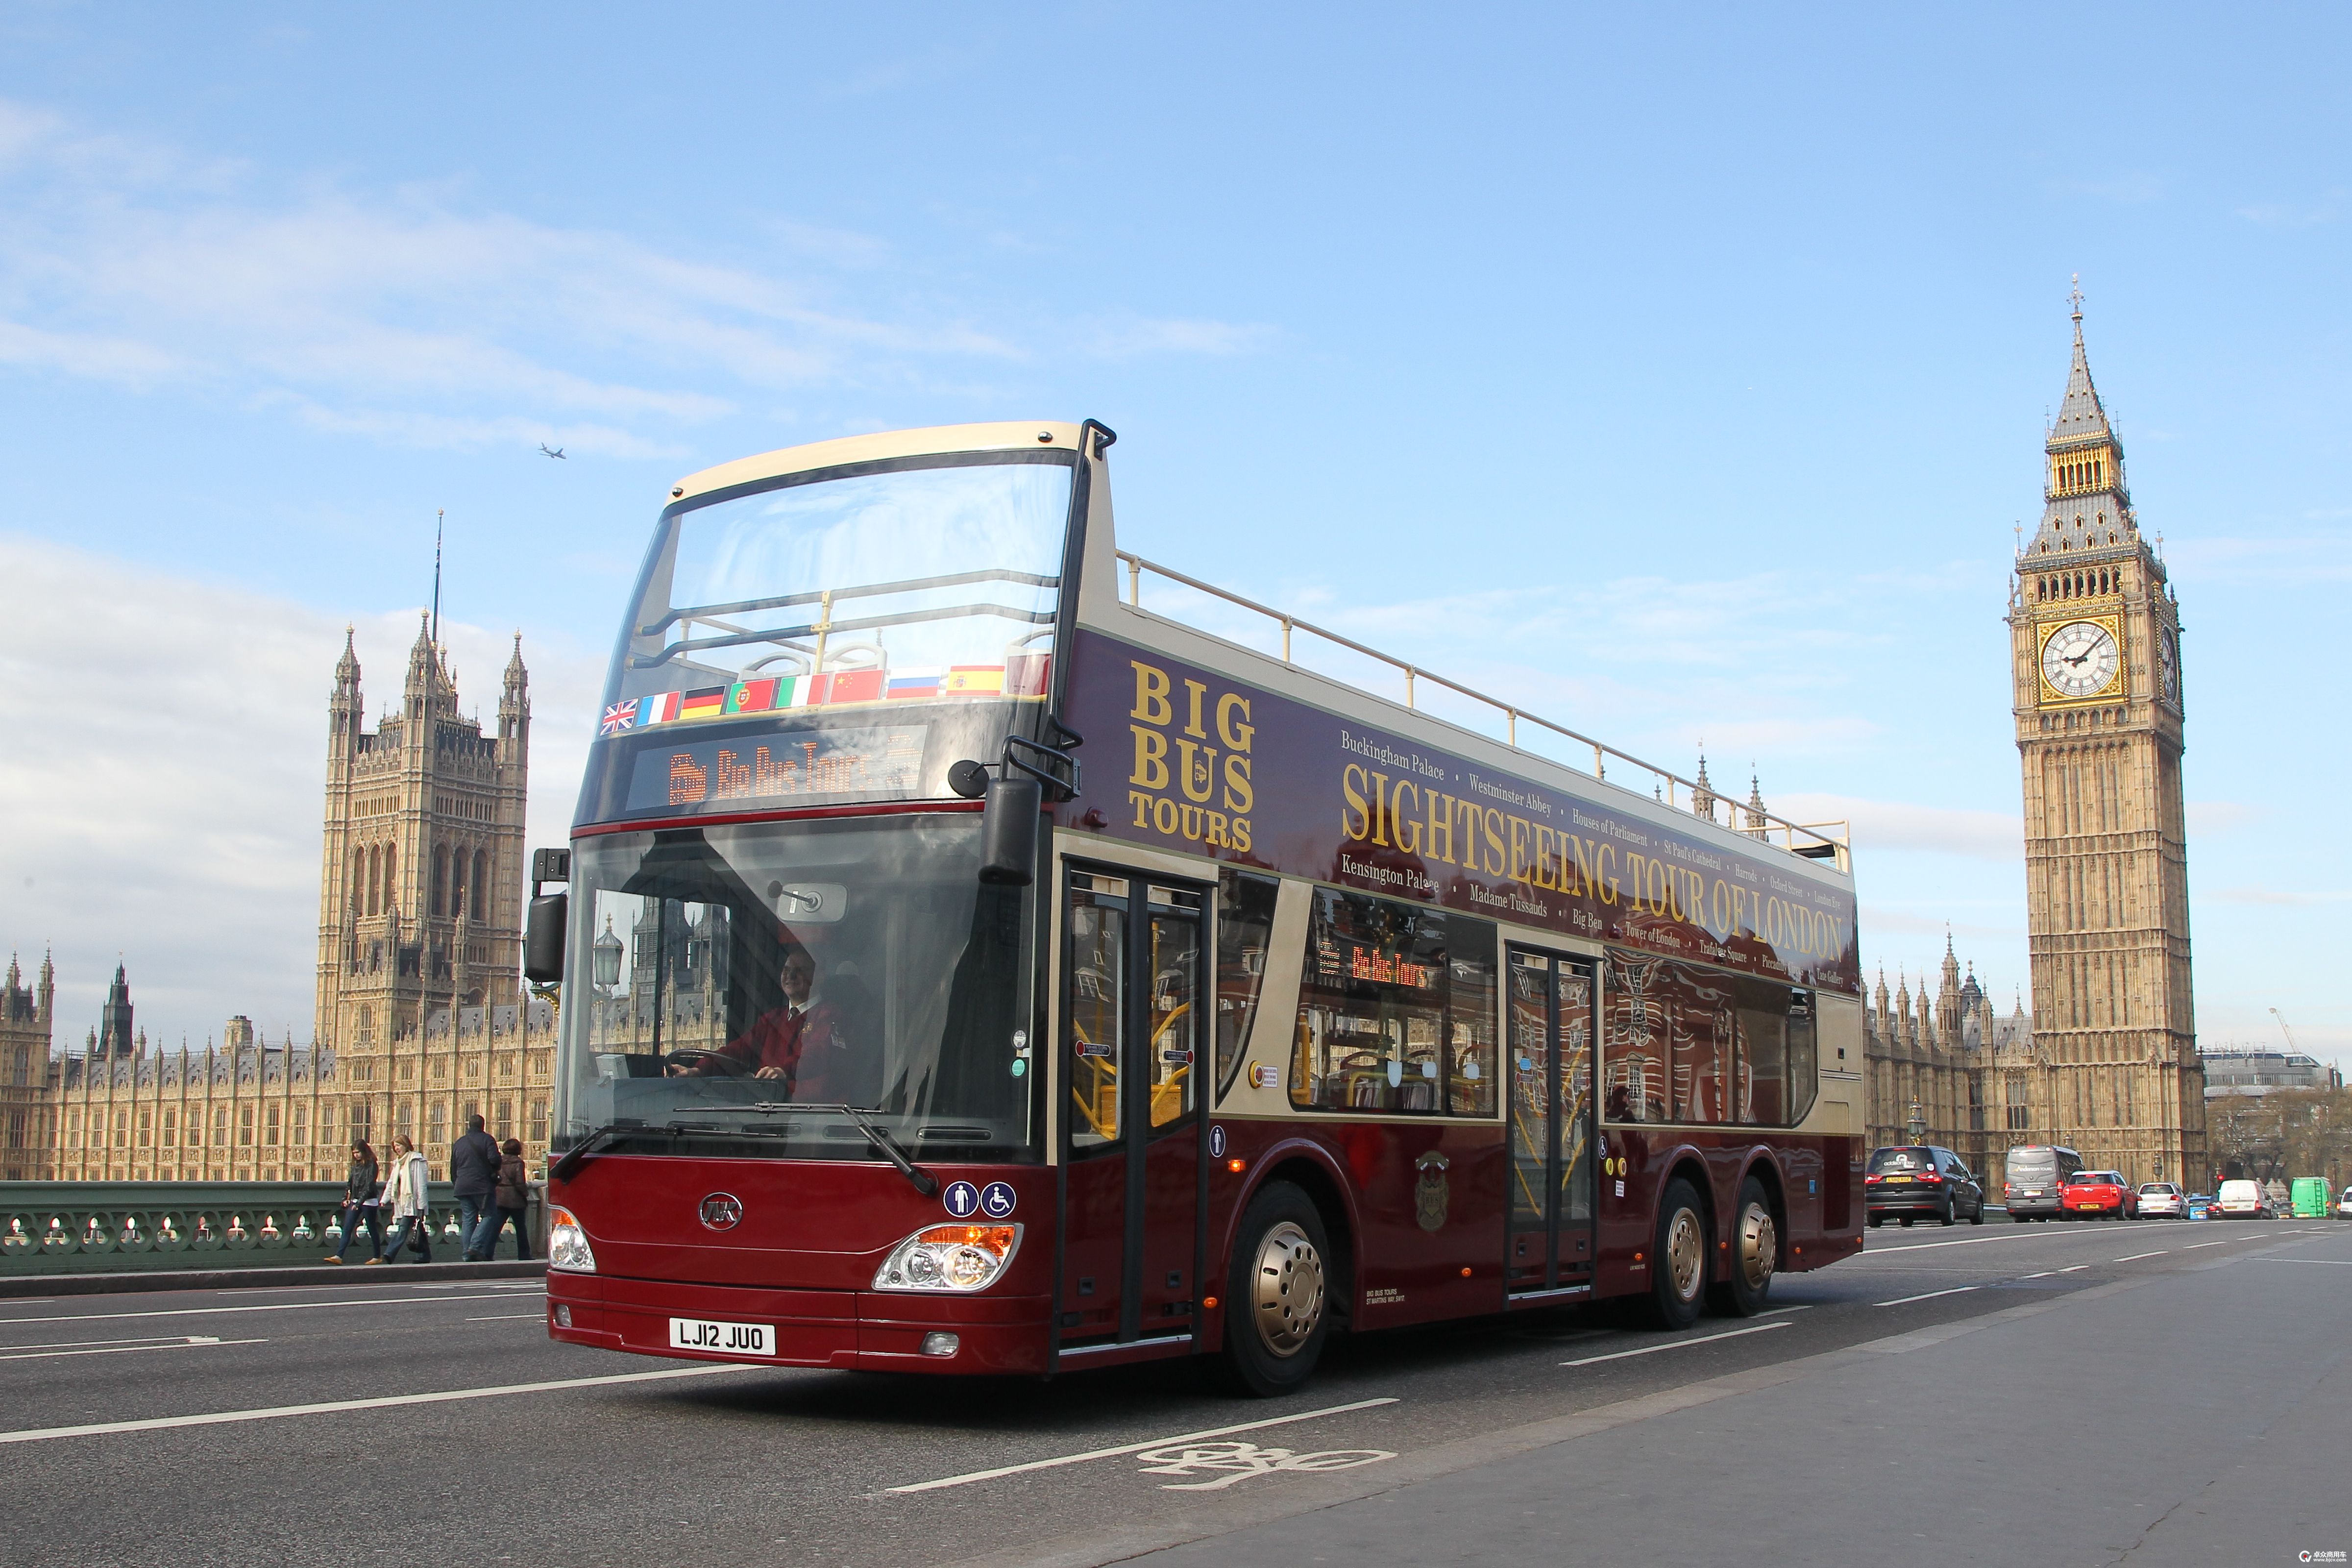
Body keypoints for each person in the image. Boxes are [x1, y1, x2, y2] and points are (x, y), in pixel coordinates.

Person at [671, 945, 845, 1096]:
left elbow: (818, 1053)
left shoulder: (830, 1014)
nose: (790, 976)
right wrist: (698, 1070)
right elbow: (737, 1051)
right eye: (786, 970)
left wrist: (783, 1071)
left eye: (799, 970)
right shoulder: (773, 1019)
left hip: (810, 1116)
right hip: (770, 1110)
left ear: (818, 977)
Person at [369, 1133, 434, 1264]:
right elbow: (392, 1182)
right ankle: (425, 1256)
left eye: (398, 1145)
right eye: (395, 1147)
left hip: (412, 1202)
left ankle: (389, 1255)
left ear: (405, 1145)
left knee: (403, 1229)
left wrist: (421, 1205)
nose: (396, 1149)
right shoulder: (398, 1163)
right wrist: (384, 1199)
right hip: (402, 1202)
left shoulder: (416, 1161)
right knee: (417, 1229)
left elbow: (421, 1185)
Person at [449, 1112, 504, 1261]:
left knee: (468, 1219)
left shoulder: (459, 1142)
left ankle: (467, 1255)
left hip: (462, 1186)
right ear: (483, 1126)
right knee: (490, 1215)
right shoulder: (487, 1140)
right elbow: (494, 1160)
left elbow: (453, 1168)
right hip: (482, 1186)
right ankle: (475, 1246)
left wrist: (457, 1183)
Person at [323, 1139, 382, 1264]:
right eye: (354, 1153)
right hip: (356, 1200)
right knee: (347, 1227)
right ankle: (339, 1256)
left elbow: (370, 1185)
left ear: (364, 1151)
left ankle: (377, 1256)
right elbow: (350, 1183)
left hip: (369, 1201)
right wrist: (346, 1198)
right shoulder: (356, 1165)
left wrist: (359, 1203)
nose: (356, 1155)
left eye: (358, 1152)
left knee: (372, 1228)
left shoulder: (372, 1164)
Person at [476, 1138, 533, 1260]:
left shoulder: (498, 1162)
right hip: (515, 1200)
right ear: (518, 1150)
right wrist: (525, 1193)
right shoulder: (518, 1163)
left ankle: (487, 1253)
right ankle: (524, 1255)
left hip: (500, 1198)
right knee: (521, 1229)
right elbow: (519, 1182)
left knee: (495, 1228)